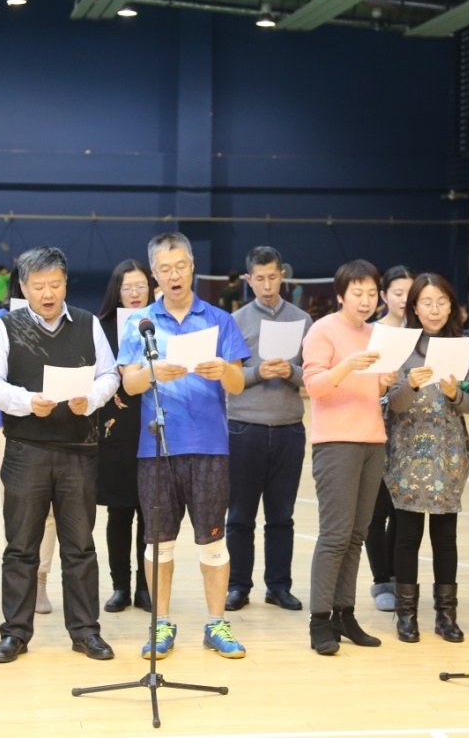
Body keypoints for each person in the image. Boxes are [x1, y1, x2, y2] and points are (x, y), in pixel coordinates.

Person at [0, 246, 120, 663]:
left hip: (79, 450)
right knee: (21, 546)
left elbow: (110, 374)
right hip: (26, 449)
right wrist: (26, 401)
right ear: (23, 286)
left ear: (65, 283)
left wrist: (91, 398)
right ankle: (15, 633)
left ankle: (85, 631)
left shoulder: (88, 324)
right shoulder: (6, 326)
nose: (47, 293)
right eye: (38, 285)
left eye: (55, 284)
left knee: (80, 547)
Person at [117, 232, 251, 660]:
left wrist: (222, 369)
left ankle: (216, 624)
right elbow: (129, 383)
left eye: (181, 266)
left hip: (210, 446)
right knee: (158, 543)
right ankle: (161, 624)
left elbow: (238, 383)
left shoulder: (219, 320)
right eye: (165, 269)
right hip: (156, 448)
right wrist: (154, 371)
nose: (174, 275)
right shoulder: (139, 323)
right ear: (154, 274)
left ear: (192, 268)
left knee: (212, 541)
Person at [302, 259, 398, 655]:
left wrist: (385, 381)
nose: (365, 300)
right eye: (357, 293)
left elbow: (373, 392)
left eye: (372, 293)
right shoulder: (322, 329)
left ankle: (345, 614)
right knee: (335, 535)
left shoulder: (377, 334)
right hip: (335, 443)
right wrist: (346, 365)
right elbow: (313, 386)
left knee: (358, 534)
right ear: (341, 295)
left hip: (372, 441)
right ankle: (319, 621)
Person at [385, 273, 469, 644]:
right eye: (427, 302)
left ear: (451, 306)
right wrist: (410, 384)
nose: (434, 309)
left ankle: (446, 616)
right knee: (407, 535)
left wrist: (455, 393)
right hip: (407, 452)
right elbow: (392, 404)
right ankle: (406, 615)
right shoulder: (400, 347)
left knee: (445, 536)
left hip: (449, 452)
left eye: (441, 302)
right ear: (414, 307)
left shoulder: (462, 347)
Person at [224, 246, 312, 613]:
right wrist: (257, 372)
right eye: (259, 278)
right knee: (239, 516)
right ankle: (237, 586)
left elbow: (314, 377)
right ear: (248, 280)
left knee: (281, 516)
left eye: (272, 277)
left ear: (282, 275)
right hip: (245, 429)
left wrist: (291, 371)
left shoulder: (303, 320)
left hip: (289, 428)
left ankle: (278, 586)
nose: (267, 284)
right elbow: (228, 379)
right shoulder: (234, 320)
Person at [0, 284, 60, 617]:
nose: (46, 291)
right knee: (16, 503)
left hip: (55, 419)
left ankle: (40, 579)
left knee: (51, 507)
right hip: (9, 422)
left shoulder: (63, 319)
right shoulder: (2, 319)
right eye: (37, 283)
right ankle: (19, 578)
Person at [96, 260, 155, 613]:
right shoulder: (101, 327)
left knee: (151, 514)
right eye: (127, 287)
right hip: (116, 428)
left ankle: (145, 588)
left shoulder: (160, 323)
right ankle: (120, 587)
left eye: (141, 286)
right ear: (116, 291)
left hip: (155, 427)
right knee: (119, 513)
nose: (135, 293)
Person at [366, 264, 414, 612]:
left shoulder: (422, 334)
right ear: (384, 296)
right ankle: (381, 579)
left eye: (411, 293)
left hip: (411, 433)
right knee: (376, 509)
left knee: (402, 509)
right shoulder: (372, 333)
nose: (405, 300)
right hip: (375, 429)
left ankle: (398, 576)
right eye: (398, 293)